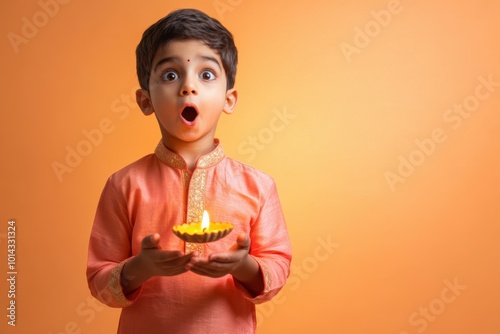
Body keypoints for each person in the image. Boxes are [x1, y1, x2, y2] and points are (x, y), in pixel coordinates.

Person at [86, 8, 292, 334]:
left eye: (206, 74)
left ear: (229, 98)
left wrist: (244, 266)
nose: (188, 87)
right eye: (170, 75)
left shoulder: (258, 187)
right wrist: (140, 268)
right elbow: (98, 278)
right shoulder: (124, 185)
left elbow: (278, 267)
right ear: (145, 100)